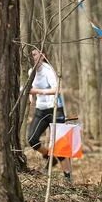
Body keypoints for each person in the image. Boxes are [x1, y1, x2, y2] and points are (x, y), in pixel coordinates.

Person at [27, 49, 72, 182]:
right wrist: (31, 97)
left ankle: (68, 179)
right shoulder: (31, 72)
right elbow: (31, 89)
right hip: (40, 110)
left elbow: (57, 90)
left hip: (55, 109)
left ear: (43, 56)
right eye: (32, 55)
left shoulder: (49, 71)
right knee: (32, 139)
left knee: (60, 147)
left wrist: (38, 91)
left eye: (36, 54)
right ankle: (50, 157)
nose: (33, 57)